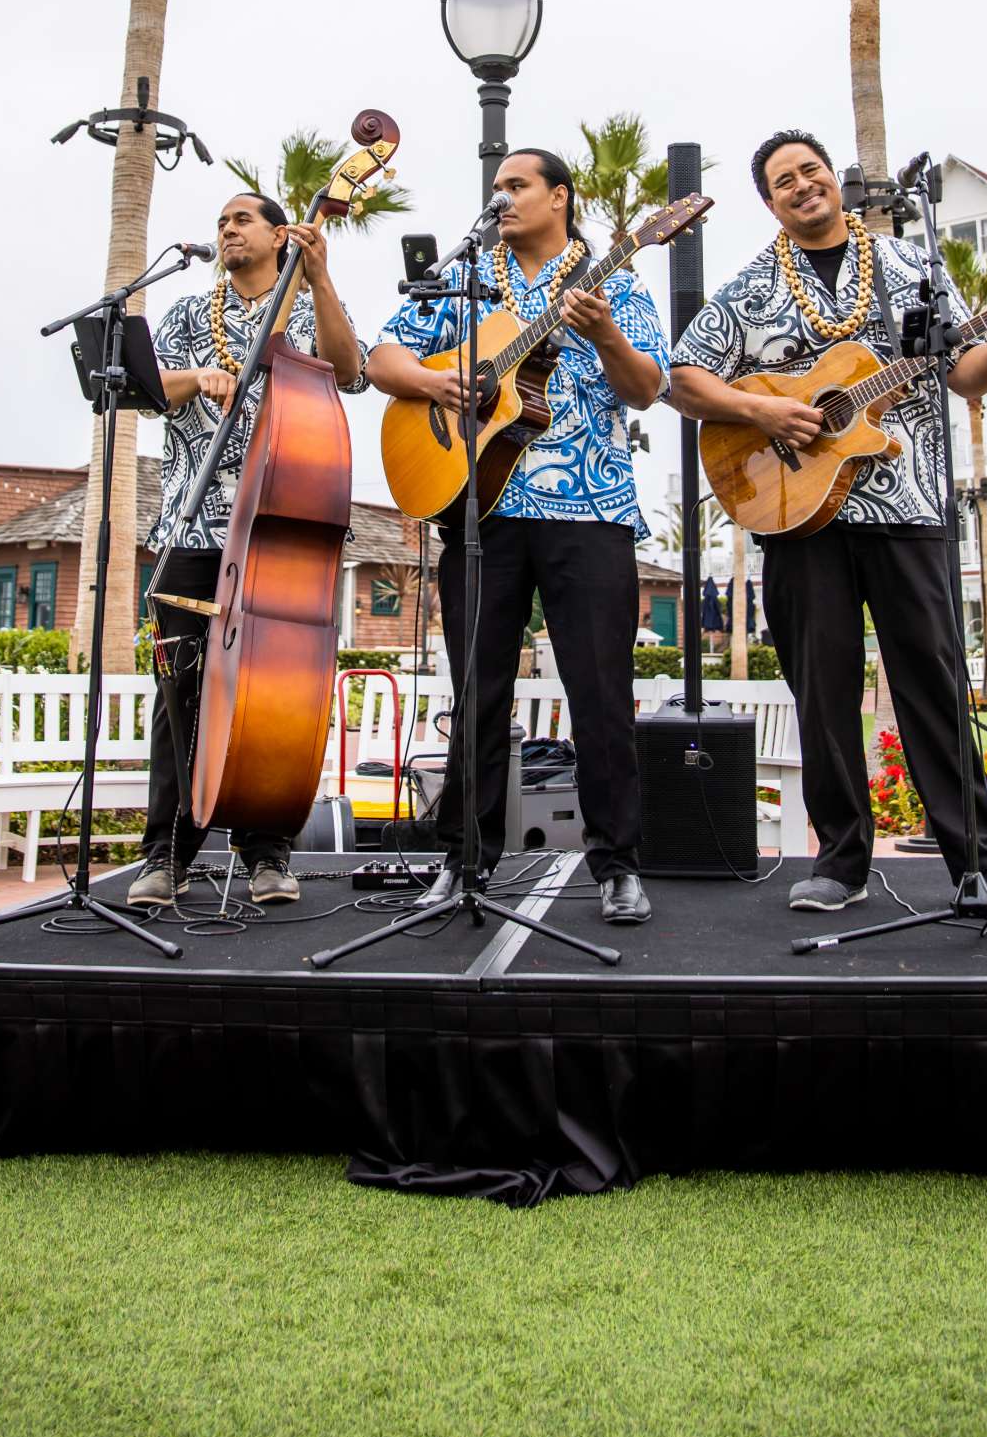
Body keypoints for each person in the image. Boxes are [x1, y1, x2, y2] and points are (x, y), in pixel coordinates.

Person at [669, 127, 987, 913]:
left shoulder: (915, 269)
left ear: (833, 181)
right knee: (823, 693)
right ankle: (839, 864)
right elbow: (683, 380)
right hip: (797, 515)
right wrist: (764, 409)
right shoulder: (749, 291)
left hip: (908, 506)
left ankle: (981, 863)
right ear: (769, 202)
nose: (803, 185)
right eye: (785, 181)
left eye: (811, 170)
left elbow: (963, 374)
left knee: (933, 687)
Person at [367, 149, 672, 924]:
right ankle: (464, 859)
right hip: (482, 512)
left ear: (560, 197)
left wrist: (604, 335)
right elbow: (381, 357)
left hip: (591, 512)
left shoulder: (618, 281)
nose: (501, 197)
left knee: (600, 693)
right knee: (477, 693)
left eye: (517, 185)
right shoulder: (469, 279)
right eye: (496, 187)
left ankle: (617, 865)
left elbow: (646, 388)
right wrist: (436, 383)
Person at [127, 191, 368, 909]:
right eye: (221, 222)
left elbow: (348, 371)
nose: (227, 230)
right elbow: (147, 391)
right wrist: (196, 376)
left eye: (242, 220)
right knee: (182, 697)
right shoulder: (185, 314)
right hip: (193, 527)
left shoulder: (303, 306)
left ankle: (266, 852)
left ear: (277, 233)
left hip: (280, 529)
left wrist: (320, 275)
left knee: (274, 698)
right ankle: (165, 854)